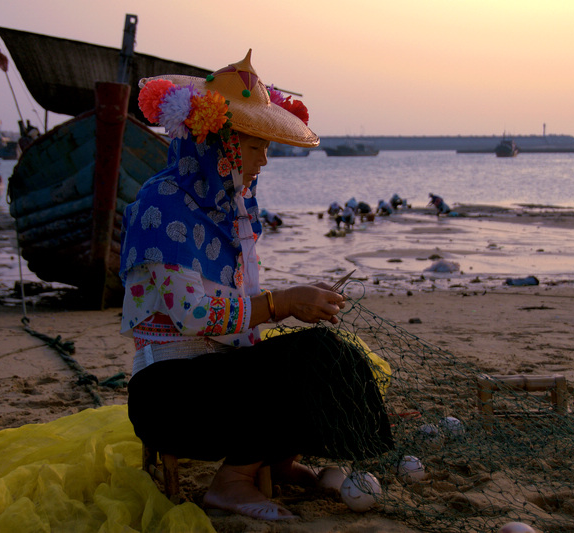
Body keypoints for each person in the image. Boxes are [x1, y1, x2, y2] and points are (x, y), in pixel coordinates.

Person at [120, 51, 392, 521]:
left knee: (322, 352)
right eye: (254, 146)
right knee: (304, 357)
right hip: (168, 394)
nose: (264, 159)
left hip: (218, 380)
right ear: (219, 144)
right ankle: (233, 481)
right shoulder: (162, 203)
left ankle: (278, 460)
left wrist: (297, 299)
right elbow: (194, 315)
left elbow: (238, 307)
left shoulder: (229, 207)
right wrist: (285, 302)